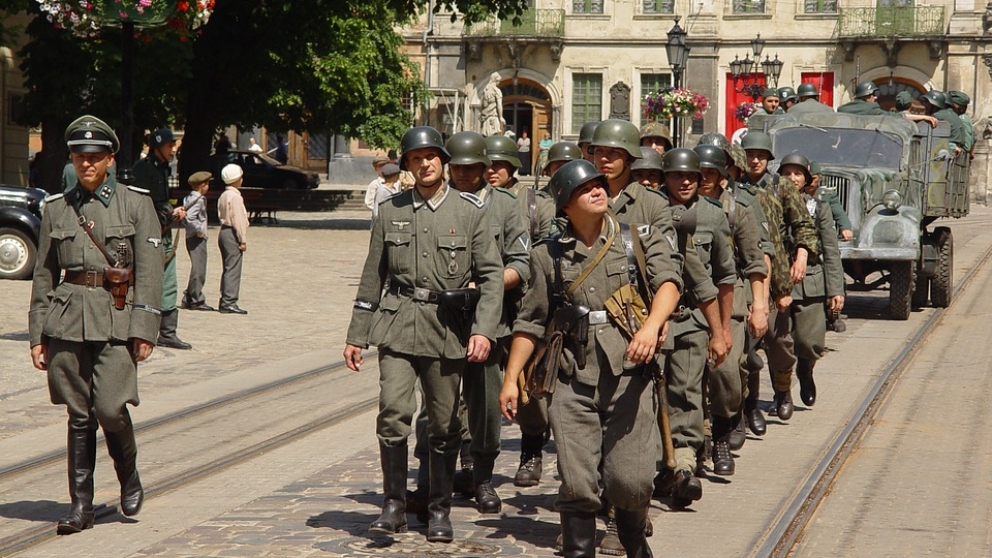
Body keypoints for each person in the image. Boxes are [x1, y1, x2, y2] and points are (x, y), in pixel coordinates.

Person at [499, 158, 683, 558]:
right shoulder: (547, 256)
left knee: (630, 484)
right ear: (566, 204)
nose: (597, 190)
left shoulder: (637, 239)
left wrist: (652, 326)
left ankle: (634, 541)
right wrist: (511, 378)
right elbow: (530, 322)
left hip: (630, 378)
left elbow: (670, 282)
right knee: (579, 485)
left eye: (599, 184)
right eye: (585, 189)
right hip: (571, 381)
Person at [342, 126, 503, 544]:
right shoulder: (391, 210)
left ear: (444, 163)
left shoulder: (470, 213)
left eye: (432, 156)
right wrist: (356, 335)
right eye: (417, 158)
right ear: (408, 165)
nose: (426, 163)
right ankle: (394, 504)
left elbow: (489, 278)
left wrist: (483, 329)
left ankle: (438, 509)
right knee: (392, 413)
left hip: (446, 329)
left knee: (445, 423)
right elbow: (371, 277)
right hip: (396, 325)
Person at [29, 115, 163, 535]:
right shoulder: (55, 208)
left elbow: (151, 270)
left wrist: (145, 328)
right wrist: (38, 333)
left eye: (95, 156)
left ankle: (129, 475)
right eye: (79, 156)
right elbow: (44, 275)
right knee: (78, 413)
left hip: (118, 319)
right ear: (72, 158)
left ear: (109, 159)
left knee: (109, 407)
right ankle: (80, 505)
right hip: (67, 320)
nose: (86, 163)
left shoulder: (135, 203)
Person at [694, 143, 768, 475]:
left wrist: (760, 307)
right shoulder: (679, 209)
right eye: (700, 173)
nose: (705, 179)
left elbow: (754, 263)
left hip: (730, 298)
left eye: (712, 173)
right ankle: (696, 445)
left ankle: (723, 431)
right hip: (690, 299)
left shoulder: (738, 211)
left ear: (724, 177)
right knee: (689, 379)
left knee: (725, 373)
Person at [738, 132, 820, 421]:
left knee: (780, 342)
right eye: (750, 154)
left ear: (769, 158)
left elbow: (804, 226)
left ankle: (783, 391)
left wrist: (801, 255)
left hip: (778, 277)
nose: (755, 159)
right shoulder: (734, 188)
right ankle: (748, 406)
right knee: (746, 346)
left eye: (761, 155)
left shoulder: (781, 186)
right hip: (744, 273)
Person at [778, 154, 844, 408]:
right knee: (780, 344)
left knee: (810, 342)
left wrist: (835, 289)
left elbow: (831, 250)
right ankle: (782, 391)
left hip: (811, 283)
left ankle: (805, 372)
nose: (792, 178)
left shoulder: (819, 207)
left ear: (806, 179)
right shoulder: (771, 203)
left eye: (798, 174)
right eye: (788, 173)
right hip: (778, 282)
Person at [132, 128, 191, 350]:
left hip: (162, 232)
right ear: (157, 146)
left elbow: (161, 202)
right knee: (145, 280)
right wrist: (169, 213)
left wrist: (172, 212)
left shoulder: (162, 169)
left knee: (168, 281)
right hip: (147, 235)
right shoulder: (143, 170)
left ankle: (167, 331)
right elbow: (142, 205)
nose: (173, 149)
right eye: (169, 146)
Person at [217, 164, 249, 314]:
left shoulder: (224, 194)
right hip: (232, 232)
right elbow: (238, 219)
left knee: (227, 267)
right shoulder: (235, 197)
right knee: (233, 267)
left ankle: (225, 298)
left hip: (223, 231)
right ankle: (229, 300)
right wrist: (242, 239)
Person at [181, 171, 213, 312]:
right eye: (207, 184)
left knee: (197, 267)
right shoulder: (198, 200)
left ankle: (189, 296)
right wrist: (199, 231)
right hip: (196, 238)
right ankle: (196, 299)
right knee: (199, 269)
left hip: (191, 236)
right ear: (202, 185)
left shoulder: (189, 197)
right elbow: (190, 218)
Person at [481, 72, 505, 137]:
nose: (499, 83)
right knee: (494, 137)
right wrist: (501, 117)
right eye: (499, 81)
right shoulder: (497, 91)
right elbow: (499, 105)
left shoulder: (486, 91)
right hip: (494, 117)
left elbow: (484, 105)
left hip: (486, 119)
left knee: (486, 138)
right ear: (496, 81)